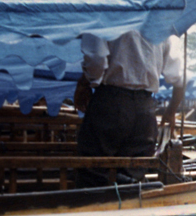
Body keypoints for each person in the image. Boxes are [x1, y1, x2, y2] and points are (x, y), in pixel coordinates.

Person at [73, 30, 185, 188]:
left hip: (110, 102)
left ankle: (93, 206)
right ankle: (126, 205)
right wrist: (171, 111)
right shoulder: (160, 24)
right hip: (145, 110)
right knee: (133, 176)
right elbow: (180, 79)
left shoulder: (107, 13)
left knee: (93, 172)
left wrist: (85, 82)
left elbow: (97, 61)